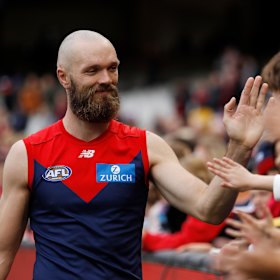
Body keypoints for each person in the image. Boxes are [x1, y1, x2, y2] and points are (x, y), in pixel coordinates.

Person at [0, 29, 270, 280]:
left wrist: (240, 147)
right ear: (63, 77)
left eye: (112, 68)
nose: (106, 79)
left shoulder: (146, 146)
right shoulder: (27, 154)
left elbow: (208, 208)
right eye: (92, 71)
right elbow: (2, 253)